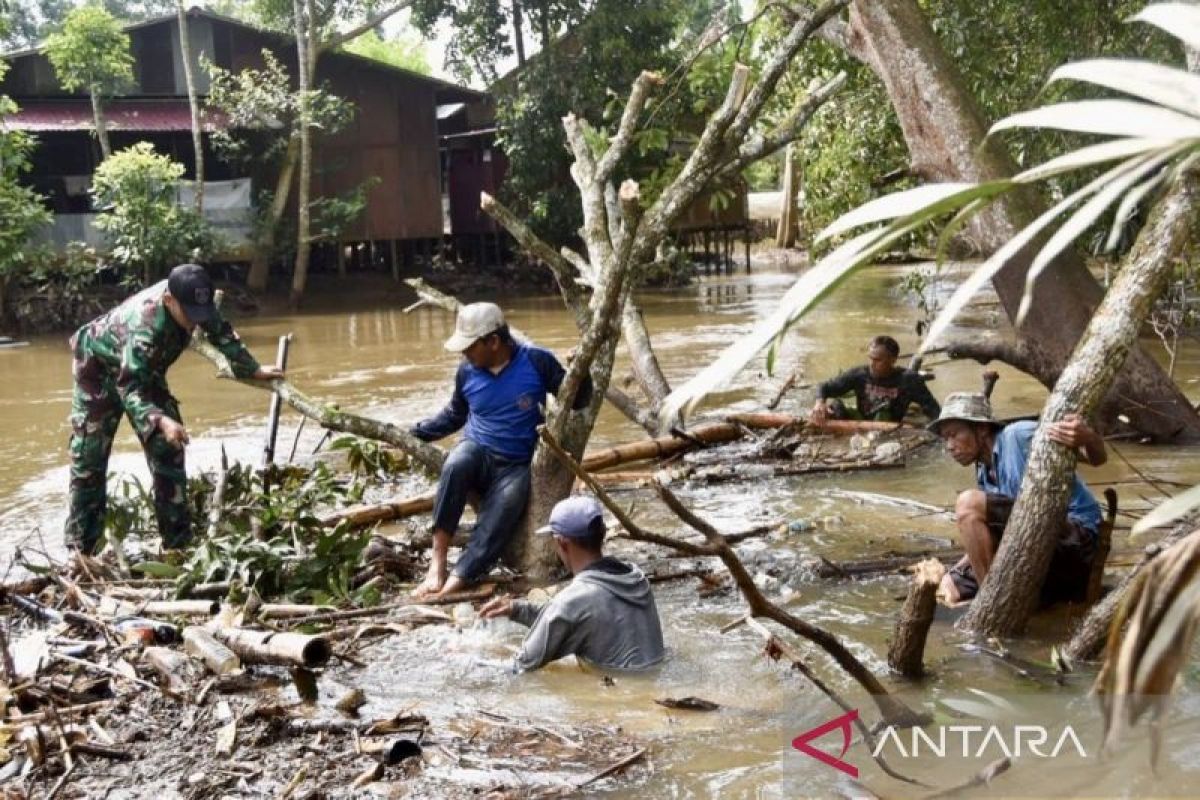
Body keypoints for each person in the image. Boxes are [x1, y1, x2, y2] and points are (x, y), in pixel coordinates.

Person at [66, 264, 283, 554]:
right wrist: (162, 421)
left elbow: (221, 332)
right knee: (89, 461)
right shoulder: (143, 329)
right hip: (98, 371)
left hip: (145, 373)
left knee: (169, 448)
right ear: (169, 300)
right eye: (190, 316)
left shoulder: (195, 300)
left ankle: (177, 546)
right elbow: (130, 391)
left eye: (200, 314)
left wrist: (251, 368)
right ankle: (81, 551)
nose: (195, 323)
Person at [410, 302, 593, 598]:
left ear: (493, 342)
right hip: (477, 451)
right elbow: (454, 415)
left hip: (515, 464)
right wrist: (415, 433)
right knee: (455, 463)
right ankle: (438, 563)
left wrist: (581, 373)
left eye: (470, 347)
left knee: (504, 509)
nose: (465, 354)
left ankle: (459, 578)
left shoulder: (537, 361)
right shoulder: (466, 372)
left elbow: (577, 399)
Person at [928, 392, 1107, 605]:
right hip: (1037, 547)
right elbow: (988, 532)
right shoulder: (984, 470)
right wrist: (955, 572)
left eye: (954, 434)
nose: (949, 446)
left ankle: (990, 604)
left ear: (982, 429)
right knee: (950, 587)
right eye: (946, 438)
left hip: (1078, 540)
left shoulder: (1019, 435)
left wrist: (1087, 437)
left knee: (967, 501)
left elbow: (1097, 459)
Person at [479, 495, 665, 672]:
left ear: (562, 543)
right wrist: (517, 609)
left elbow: (520, 667)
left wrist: (465, 658)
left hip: (612, 692)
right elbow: (568, 619)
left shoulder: (573, 601)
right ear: (602, 534)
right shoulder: (636, 578)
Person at [810, 335, 941, 424]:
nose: (872, 364)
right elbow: (824, 387)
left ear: (893, 360)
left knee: (883, 412)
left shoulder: (909, 380)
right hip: (862, 421)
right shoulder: (859, 374)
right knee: (835, 406)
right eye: (871, 358)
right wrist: (819, 403)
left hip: (889, 426)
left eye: (878, 360)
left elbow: (934, 410)